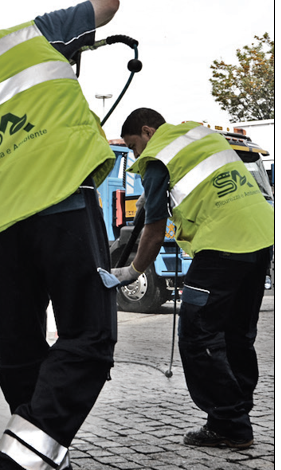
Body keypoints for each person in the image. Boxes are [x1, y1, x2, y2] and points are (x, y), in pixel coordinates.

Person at [0, 1, 120, 468]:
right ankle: (18, 460)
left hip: (2, 235)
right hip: (66, 205)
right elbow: (108, 5)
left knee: (18, 351)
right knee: (89, 336)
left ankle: (38, 451)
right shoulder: (36, 34)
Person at [113, 108, 273, 448]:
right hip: (261, 236)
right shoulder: (198, 134)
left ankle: (229, 423)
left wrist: (132, 271)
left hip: (222, 245)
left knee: (198, 335)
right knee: (236, 333)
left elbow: (154, 234)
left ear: (147, 131)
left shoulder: (158, 157)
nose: (135, 154)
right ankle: (238, 410)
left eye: (133, 146)